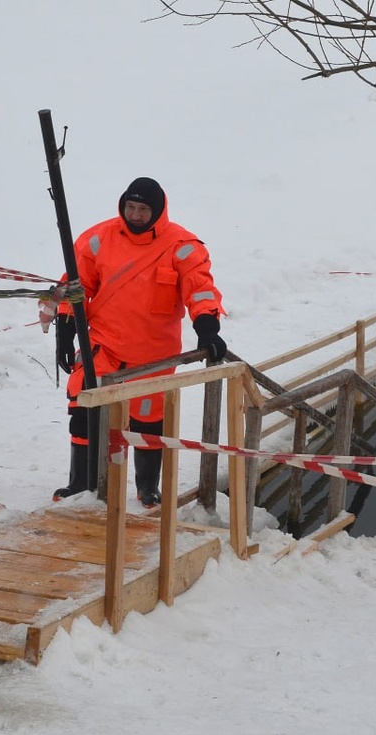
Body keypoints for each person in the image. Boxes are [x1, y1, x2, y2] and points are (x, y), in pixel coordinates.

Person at [50, 176, 226, 506]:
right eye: (130, 207)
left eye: (143, 209)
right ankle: (82, 483)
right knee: (84, 409)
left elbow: (199, 288)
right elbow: (75, 286)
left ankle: (147, 488)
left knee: (148, 422)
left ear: (158, 211)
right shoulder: (98, 238)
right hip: (104, 348)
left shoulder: (182, 246)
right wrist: (65, 328)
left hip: (153, 357)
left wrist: (207, 327)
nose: (135, 215)